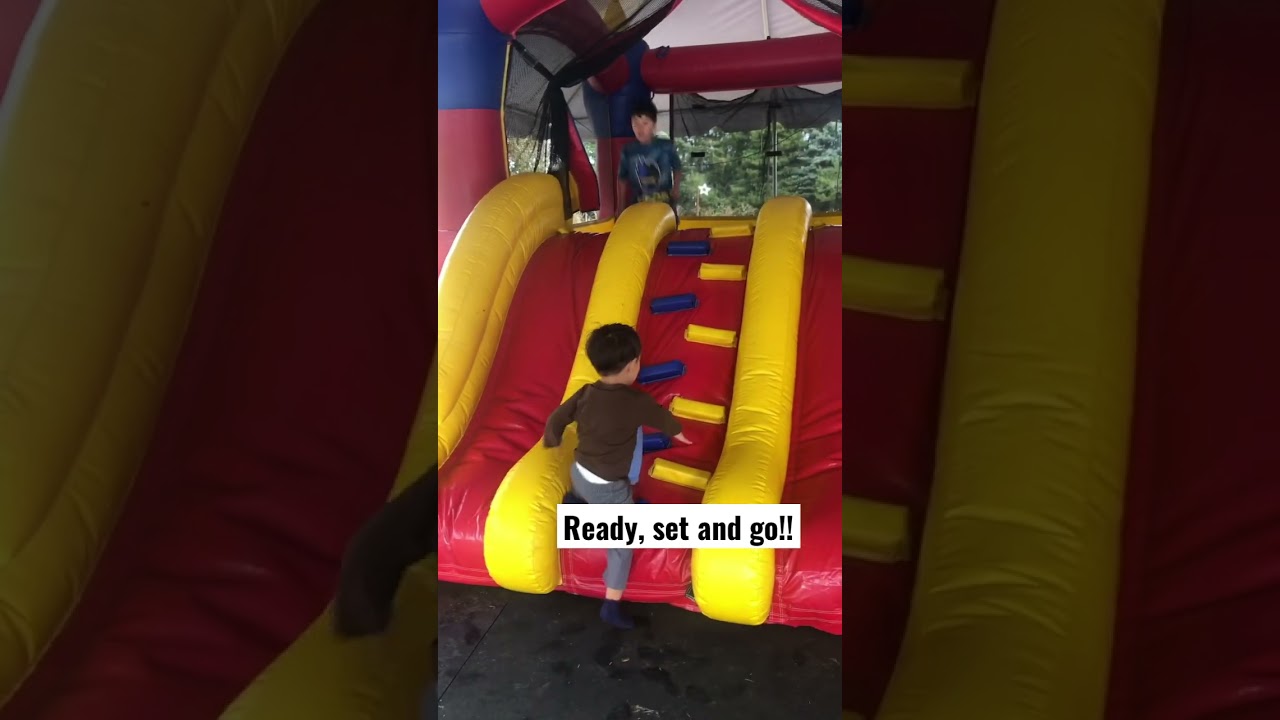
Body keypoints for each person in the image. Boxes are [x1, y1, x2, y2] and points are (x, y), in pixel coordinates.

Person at [543, 323, 690, 629]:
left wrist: (552, 440)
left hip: (580, 472)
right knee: (623, 547)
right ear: (632, 365)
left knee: (595, 479)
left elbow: (557, 417)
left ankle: (577, 505)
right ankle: (611, 605)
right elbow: (665, 420)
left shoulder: (586, 392)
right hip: (609, 489)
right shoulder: (636, 402)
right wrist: (681, 434)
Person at [618, 98, 682, 218]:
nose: (639, 129)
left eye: (645, 123)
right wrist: (620, 206)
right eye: (635, 125)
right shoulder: (628, 151)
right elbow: (622, 179)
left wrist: (676, 188)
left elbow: (677, 168)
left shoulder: (666, 146)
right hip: (639, 207)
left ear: (654, 125)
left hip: (665, 207)